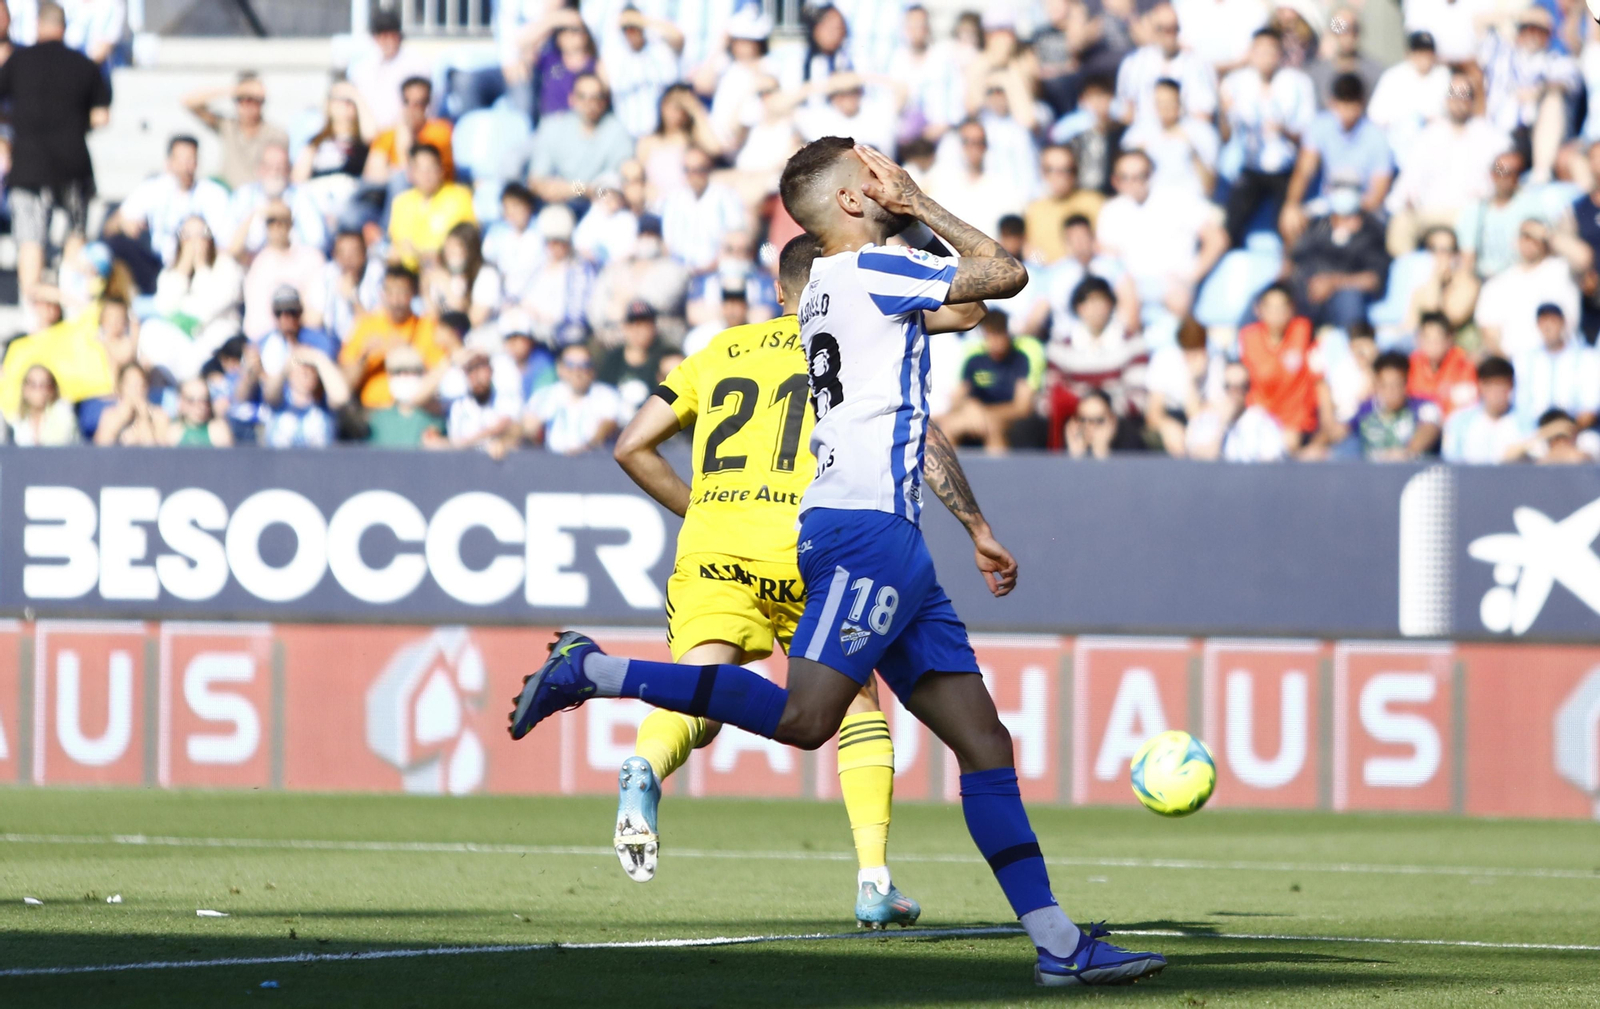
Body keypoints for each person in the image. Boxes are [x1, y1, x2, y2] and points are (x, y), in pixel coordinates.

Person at [509, 137, 1168, 987]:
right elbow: (1002, 275)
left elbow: (963, 309)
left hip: (889, 538)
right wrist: (922, 200)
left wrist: (969, 523)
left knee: (983, 739)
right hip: (865, 533)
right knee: (807, 720)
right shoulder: (867, 273)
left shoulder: (827, 287)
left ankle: (1057, 944)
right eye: (875, 177)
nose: (887, 181)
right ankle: (593, 669)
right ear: (855, 202)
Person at [606, 233, 981, 917]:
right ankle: (873, 881)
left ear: (780, 290)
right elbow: (973, 308)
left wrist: (706, 510)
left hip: (713, 546)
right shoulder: (852, 339)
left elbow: (631, 444)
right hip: (809, 540)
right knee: (857, 699)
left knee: (701, 689)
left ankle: (644, 767)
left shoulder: (717, 351)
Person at [0, 0, 110, 306]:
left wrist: (15, 122)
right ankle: (72, 299)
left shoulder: (19, 62)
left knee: (30, 250)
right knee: (74, 240)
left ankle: (41, 300)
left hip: (28, 167)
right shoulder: (84, 64)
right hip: (74, 164)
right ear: (65, 27)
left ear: (38, 25)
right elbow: (102, 117)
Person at [1384, 73, 1509, 258]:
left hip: (1469, 211)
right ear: (1446, 100)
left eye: (1464, 96)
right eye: (1453, 95)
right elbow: (1410, 176)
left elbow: (1503, 174)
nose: (1458, 101)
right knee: (1400, 224)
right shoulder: (1428, 136)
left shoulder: (1491, 139)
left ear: (1473, 101)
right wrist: (1405, 199)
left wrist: (1488, 193)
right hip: (1429, 210)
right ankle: (1408, 275)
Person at [1095, 149, 1227, 321]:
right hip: (1130, 289)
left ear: (1152, 174)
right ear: (1115, 180)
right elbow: (1106, 254)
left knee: (1178, 300)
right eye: (1125, 177)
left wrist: (1191, 277)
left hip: (1173, 285)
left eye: (1140, 176)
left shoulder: (1179, 198)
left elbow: (1217, 239)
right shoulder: (1110, 210)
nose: (1133, 183)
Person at [1218, 27, 1315, 249]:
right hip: (1250, 166)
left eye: (1270, 51)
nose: (1264, 57)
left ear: (1280, 53)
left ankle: (1292, 273)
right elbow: (1226, 136)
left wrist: (1283, 131)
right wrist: (1224, 113)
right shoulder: (1235, 83)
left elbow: (1307, 136)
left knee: (1291, 225)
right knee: (1230, 224)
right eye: (1259, 51)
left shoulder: (1298, 83)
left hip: (1286, 169)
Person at [104, 135, 232, 289]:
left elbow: (226, 243)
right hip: (155, 263)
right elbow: (111, 225)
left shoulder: (213, 194)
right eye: (180, 160)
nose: (186, 167)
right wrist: (124, 224)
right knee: (116, 244)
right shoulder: (154, 188)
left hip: (195, 264)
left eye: (190, 159)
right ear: (169, 163)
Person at [1280, 74, 1392, 245]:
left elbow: (1378, 193)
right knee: (1290, 220)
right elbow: (1304, 171)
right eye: (1342, 103)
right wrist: (1292, 204)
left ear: (1362, 103)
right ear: (1332, 102)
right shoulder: (1320, 126)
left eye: (1351, 104)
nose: (1346, 112)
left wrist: (1351, 215)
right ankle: (1291, 268)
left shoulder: (1377, 136)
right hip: (1328, 204)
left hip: (1363, 208)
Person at [339, 264, 443, 409]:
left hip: (413, 410)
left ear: (412, 294)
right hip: (371, 410)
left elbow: (439, 377)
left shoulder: (427, 326)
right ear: (383, 294)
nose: (395, 301)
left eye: (402, 293)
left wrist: (408, 352)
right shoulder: (366, 325)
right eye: (390, 293)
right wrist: (363, 357)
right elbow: (344, 385)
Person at [1288, 185, 1390, 328]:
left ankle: (1353, 343)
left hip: (1343, 296)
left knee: (1349, 298)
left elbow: (1374, 279)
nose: (1351, 221)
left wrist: (1333, 283)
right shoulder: (1318, 227)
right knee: (1275, 297)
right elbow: (1294, 260)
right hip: (1308, 293)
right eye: (1343, 217)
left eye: (1354, 216)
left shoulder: (1371, 234)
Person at [1475, 220, 1581, 359]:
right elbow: (1489, 333)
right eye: (1524, 235)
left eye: (1534, 236)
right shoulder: (1497, 284)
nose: (1529, 241)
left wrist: (1547, 234)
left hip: (1564, 360)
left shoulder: (1562, 270)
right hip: (1517, 368)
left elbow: (1584, 258)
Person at [936, 309, 1034, 454]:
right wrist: (970, 407)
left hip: (1001, 420)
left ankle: (997, 475)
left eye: (1000, 333)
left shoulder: (1020, 360)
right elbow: (957, 399)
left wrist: (983, 414)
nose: (996, 340)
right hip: (973, 417)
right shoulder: (974, 362)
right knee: (947, 427)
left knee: (993, 428)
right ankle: (951, 474)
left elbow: (1023, 407)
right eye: (991, 334)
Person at [527, 73, 635, 204]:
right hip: (555, 204)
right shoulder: (552, 127)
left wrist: (578, 189)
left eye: (596, 97)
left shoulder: (617, 132)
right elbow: (535, 182)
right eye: (583, 97)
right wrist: (576, 189)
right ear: (572, 99)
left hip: (601, 207)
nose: (589, 103)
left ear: (605, 101)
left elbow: (615, 190)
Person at [1238, 283, 1318, 450]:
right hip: (1259, 418)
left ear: (1291, 310)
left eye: (1282, 307)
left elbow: (1319, 378)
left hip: (1294, 423)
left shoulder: (1305, 332)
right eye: (1271, 307)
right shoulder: (1248, 338)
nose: (1276, 313)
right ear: (1259, 310)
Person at [1113, 3, 1218, 130]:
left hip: (1184, 136)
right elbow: (1126, 111)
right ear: (1153, 29)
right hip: (1143, 135)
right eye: (1163, 29)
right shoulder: (1133, 64)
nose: (1169, 35)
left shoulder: (1197, 64)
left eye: (1174, 29)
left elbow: (1203, 117)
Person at [181, 70, 288, 190]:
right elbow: (189, 102)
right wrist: (235, 90)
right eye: (243, 99)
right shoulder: (227, 126)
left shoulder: (276, 134)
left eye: (254, 100)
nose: (248, 105)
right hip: (229, 197)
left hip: (262, 198)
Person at [1366, 31, 1450, 173]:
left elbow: (1450, 116)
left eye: (1428, 52)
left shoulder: (1444, 76)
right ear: (1409, 53)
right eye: (1419, 52)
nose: (1424, 57)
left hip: (1433, 154)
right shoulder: (1393, 76)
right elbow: (1375, 116)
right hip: (1397, 153)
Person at [241, 199, 325, 339]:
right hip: (266, 338)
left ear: (291, 223)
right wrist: (256, 213)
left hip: (304, 334)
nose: (277, 226)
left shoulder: (311, 258)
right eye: (271, 221)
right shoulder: (257, 262)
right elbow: (232, 252)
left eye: (282, 220)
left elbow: (316, 315)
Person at [1121, 77, 1219, 197]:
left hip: (1190, 201)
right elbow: (1124, 178)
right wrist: (1140, 154)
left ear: (1180, 102)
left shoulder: (1202, 132)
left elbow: (1209, 186)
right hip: (1149, 203)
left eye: (1170, 102)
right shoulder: (1137, 133)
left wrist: (1191, 149)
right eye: (1160, 103)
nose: (1165, 108)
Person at [659, 145, 749, 274]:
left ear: (708, 169)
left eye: (699, 170)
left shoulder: (725, 195)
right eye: (688, 170)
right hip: (680, 270)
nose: (693, 175)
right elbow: (667, 244)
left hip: (718, 269)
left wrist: (712, 265)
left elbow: (735, 239)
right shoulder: (673, 200)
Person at [1337, 351, 1442, 460]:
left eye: (1396, 385)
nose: (1391, 391)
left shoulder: (1424, 407)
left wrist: (1408, 451)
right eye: (1384, 385)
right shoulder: (1363, 410)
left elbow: (1429, 429)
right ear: (1376, 384)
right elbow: (1338, 431)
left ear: (1406, 383)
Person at [1511, 303, 1600, 430]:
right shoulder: (1523, 360)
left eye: (1552, 321)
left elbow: (1591, 407)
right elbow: (1519, 405)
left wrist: (1565, 431)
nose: (1548, 326)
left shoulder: (1587, 358)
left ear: (1563, 323)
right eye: (1543, 321)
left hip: (1576, 432)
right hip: (1533, 433)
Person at [523, 342, 622, 455]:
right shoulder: (545, 395)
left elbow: (608, 426)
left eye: (585, 365)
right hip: (552, 462)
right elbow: (527, 428)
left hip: (593, 461)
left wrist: (587, 447)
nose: (577, 372)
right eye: (570, 365)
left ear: (593, 369)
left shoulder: (607, 395)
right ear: (560, 368)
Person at [387, 144, 475, 270]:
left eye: (431, 168)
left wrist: (422, 255)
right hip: (408, 275)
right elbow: (396, 246)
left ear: (441, 170)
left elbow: (466, 243)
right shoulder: (401, 202)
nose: (426, 175)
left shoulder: (460, 196)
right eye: (421, 169)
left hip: (446, 270)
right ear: (411, 173)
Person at [347, 9, 431, 133]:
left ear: (399, 35)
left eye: (391, 35)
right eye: (381, 36)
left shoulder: (416, 64)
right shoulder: (363, 67)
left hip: (404, 133)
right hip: (367, 134)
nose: (387, 41)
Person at [1184, 360, 1286, 462]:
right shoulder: (1207, 420)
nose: (1234, 393)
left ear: (1248, 389)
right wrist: (1222, 425)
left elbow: (1271, 463)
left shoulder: (1261, 421)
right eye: (1229, 386)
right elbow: (1198, 457)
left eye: (1240, 387)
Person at [364, 76, 455, 186]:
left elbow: (420, 174)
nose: (412, 108)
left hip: (431, 193)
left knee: (401, 178)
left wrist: (406, 131)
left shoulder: (441, 131)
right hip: (390, 194)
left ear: (428, 104)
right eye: (407, 101)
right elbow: (372, 175)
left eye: (419, 103)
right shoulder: (387, 134)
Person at [430, 348, 521, 459]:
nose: (477, 376)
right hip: (460, 464)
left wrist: (464, 443)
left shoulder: (502, 397)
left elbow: (507, 425)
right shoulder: (457, 403)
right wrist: (449, 362)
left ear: (491, 370)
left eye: (481, 367)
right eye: (471, 369)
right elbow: (417, 400)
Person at [1023, 146, 1104, 263]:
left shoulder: (1095, 203)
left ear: (1075, 171)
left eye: (1065, 170)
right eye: (1050, 169)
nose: (1058, 176)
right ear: (1042, 172)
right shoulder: (1035, 210)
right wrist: (1042, 263)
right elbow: (1030, 251)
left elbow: (1105, 246)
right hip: (1049, 275)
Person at [1442, 355, 1526, 464]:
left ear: (1511, 386)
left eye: (1501, 386)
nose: (1496, 393)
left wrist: (1523, 455)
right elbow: (1450, 461)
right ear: (1481, 386)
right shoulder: (1460, 422)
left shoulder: (1525, 424)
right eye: (1490, 386)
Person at [597, 299, 667, 421]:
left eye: (645, 324)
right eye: (633, 324)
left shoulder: (664, 357)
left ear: (654, 327)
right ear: (624, 327)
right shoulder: (612, 360)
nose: (639, 330)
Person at [364, 345, 443, 447]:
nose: (404, 376)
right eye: (397, 372)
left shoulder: (434, 416)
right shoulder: (379, 419)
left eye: (412, 371)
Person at [1408, 312, 1477, 418]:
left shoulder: (1463, 363)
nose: (1432, 345)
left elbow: (1466, 402)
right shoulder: (1411, 364)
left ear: (1449, 339)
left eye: (1437, 339)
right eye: (1427, 339)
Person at [93, 362, 169, 446]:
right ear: (120, 387)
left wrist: (144, 419)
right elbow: (100, 447)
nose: (136, 390)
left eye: (140, 385)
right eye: (131, 385)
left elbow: (162, 451)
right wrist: (121, 418)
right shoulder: (110, 415)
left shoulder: (158, 415)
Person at [10, 364, 80, 446]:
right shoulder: (15, 421)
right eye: (33, 384)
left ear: (52, 389)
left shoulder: (63, 415)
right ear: (24, 389)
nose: (38, 390)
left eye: (44, 385)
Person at [167, 377, 234, 447]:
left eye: (205, 400)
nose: (200, 406)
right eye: (191, 400)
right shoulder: (174, 432)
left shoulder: (218, 430)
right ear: (181, 402)